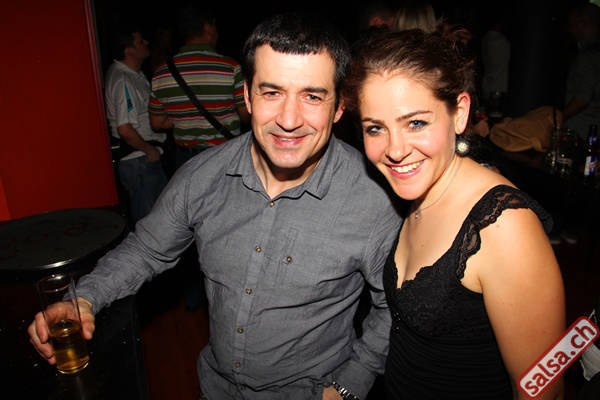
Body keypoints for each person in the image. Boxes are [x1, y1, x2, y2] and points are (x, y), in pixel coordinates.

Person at [28, 13, 402, 400]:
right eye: (272, 93)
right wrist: (84, 298)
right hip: (215, 388)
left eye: (312, 96)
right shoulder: (202, 175)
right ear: (247, 97)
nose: (289, 120)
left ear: (339, 107)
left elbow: (392, 307)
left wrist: (348, 385)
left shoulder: (373, 200)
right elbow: (147, 248)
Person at [343, 29, 566, 399]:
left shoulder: (504, 227)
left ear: (459, 113)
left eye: (416, 123)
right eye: (375, 128)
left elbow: (543, 391)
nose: (395, 150)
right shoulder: (414, 189)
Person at [149, 4, 250, 169]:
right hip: (224, 154)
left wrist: (185, 118)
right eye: (214, 26)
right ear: (207, 27)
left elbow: (157, 123)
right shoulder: (231, 68)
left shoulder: (161, 74)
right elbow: (246, 115)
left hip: (185, 159)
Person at [104, 26, 169, 224]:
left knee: (159, 221)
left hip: (143, 159)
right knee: (150, 225)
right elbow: (124, 129)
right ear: (128, 50)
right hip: (139, 161)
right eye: (141, 41)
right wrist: (150, 150)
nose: (146, 43)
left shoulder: (134, 75)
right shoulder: (123, 79)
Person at [562, 2, 600, 140]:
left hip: (581, 131)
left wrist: (558, 118)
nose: (570, 30)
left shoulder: (588, 57)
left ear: (583, 24)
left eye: (572, 25)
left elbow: (582, 98)